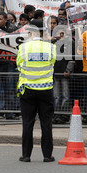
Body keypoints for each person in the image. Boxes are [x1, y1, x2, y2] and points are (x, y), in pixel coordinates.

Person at [17, 19, 57, 162]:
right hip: (46, 89)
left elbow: (19, 64)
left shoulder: (23, 47)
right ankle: (47, 155)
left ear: (31, 32)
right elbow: (52, 63)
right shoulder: (51, 47)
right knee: (46, 123)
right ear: (44, 32)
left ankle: (26, 155)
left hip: (27, 89)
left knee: (27, 123)